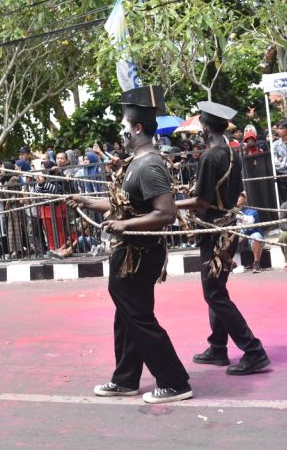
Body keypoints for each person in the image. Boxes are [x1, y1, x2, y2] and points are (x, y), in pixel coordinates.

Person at [69, 85, 193, 404]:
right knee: (126, 315)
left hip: (139, 256)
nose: (121, 132)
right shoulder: (135, 162)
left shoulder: (149, 165)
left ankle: (174, 380)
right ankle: (125, 379)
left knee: (138, 316)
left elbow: (165, 213)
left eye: (124, 126)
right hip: (130, 253)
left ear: (137, 128)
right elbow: (123, 206)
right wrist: (86, 201)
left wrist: (123, 225)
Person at [176, 101, 271, 375]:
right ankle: (218, 347)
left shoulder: (209, 157)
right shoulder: (232, 153)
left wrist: (173, 205)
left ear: (204, 128)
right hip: (228, 229)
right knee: (217, 290)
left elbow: (202, 201)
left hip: (213, 231)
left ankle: (253, 350)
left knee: (214, 293)